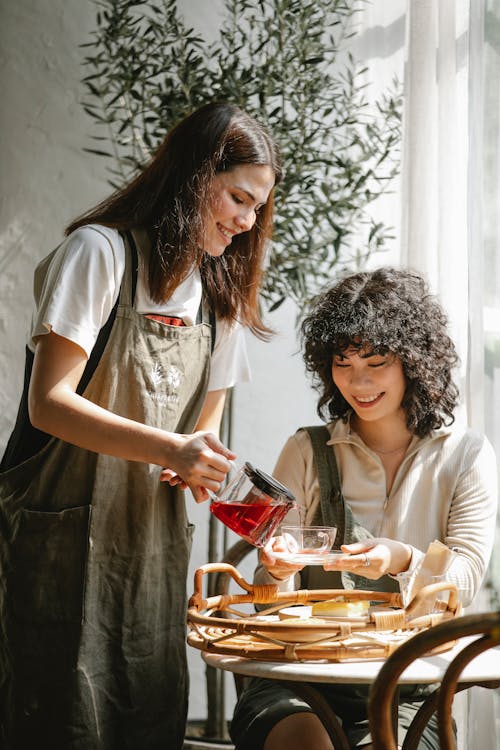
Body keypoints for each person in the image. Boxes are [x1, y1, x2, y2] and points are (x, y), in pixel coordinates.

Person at [0, 101, 282, 750]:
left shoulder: (221, 301)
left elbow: (199, 440)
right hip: (57, 545)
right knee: (56, 719)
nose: (245, 223)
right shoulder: (97, 254)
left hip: (149, 551)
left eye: (256, 211)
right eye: (238, 198)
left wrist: (212, 473)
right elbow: (49, 403)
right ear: (193, 175)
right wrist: (175, 449)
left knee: (148, 715)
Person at [230, 267, 498, 750]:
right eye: (343, 363)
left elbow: (466, 578)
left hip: (409, 687)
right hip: (300, 677)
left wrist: (403, 559)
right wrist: (276, 566)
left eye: (376, 363)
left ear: (414, 362)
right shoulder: (307, 449)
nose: (358, 382)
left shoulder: (465, 456)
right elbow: (268, 600)